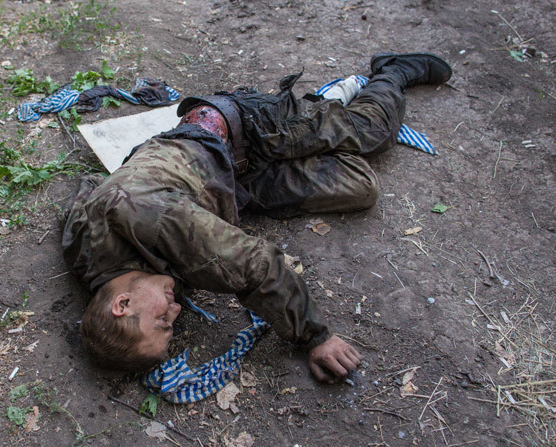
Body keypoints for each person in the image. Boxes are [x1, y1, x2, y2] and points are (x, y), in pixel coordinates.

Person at [61, 52, 452, 382]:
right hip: (232, 177)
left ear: (122, 304)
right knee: (361, 186)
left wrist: (314, 338)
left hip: (244, 126)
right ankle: (319, 111)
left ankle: (393, 69)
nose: (176, 312)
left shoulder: (157, 220)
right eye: (172, 324)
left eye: (163, 321)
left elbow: (258, 266)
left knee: (372, 132)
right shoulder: (89, 264)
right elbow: (84, 189)